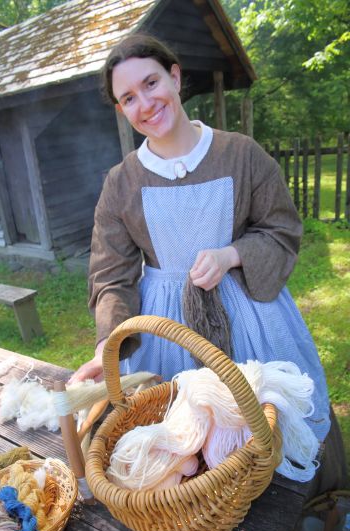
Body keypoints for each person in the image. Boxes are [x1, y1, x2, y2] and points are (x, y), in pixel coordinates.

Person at [69, 33, 347, 492]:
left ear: (176, 77)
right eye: (129, 98)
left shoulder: (240, 154)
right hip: (168, 326)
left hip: (249, 314)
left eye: (151, 82)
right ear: (121, 110)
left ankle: (300, 519)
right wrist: (109, 346)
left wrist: (231, 254)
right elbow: (111, 275)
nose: (145, 102)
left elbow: (281, 228)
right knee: (186, 445)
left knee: (265, 426)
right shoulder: (120, 184)